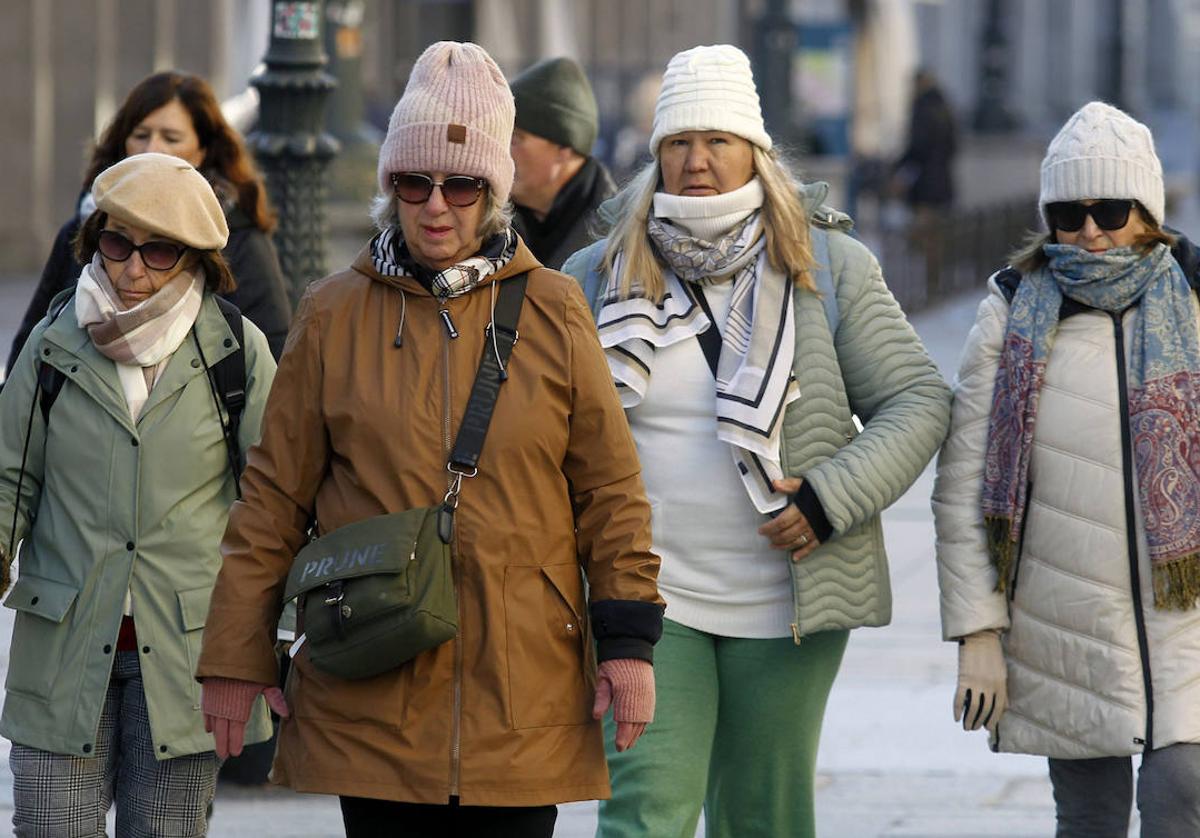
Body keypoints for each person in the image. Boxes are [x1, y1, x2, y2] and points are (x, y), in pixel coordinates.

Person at [194, 41, 664, 838]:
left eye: (462, 184)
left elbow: (610, 493)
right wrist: (237, 654)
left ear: (496, 192)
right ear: (390, 188)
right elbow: (273, 497)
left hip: (523, 681)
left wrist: (629, 644)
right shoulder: (333, 313)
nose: (435, 205)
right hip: (375, 675)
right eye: (414, 182)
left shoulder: (554, 310)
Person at [561, 44, 951, 838]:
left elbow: (918, 399)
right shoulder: (595, 275)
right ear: (656, 152)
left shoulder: (828, 263)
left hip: (788, 601)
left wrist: (828, 498)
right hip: (646, 601)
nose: (696, 162)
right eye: (677, 143)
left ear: (754, 151)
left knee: (761, 819)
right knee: (643, 813)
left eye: (717, 141)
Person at [933, 101, 1200, 837]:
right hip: (1062, 625)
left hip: (1186, 619)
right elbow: (964, 489)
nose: (1088, 231)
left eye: (1110, 209)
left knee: (1182, 795)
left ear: (1148, 210)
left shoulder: (1196, 301)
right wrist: (978, 634)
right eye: (1068, 212)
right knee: (1088, 818)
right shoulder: (1012, 311)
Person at [0, 152, 277, 836]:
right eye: (117, 243)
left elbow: (275, 507)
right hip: (63, 642)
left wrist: (269, 642)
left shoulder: (237, 351)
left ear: (195, 261)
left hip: (187, 659)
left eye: (158, 252)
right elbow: (10, 477)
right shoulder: (51, 344)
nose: (131, 268)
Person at [7, 70, 291, 376]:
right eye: (141, 135)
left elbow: (271, 360)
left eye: (171, 138)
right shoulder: (83, 227)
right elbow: (29, 355)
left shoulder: (240, 239)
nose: (152, 148)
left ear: (203, 150)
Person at [508, 56, 616, 270]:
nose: (503, 151)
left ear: (563, 150)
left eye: (515, 139)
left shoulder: (619, 240)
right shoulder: (493, 229)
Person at [893, 68, 957, 293]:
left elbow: (917, 147)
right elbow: (953, 146)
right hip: (944, 181)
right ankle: (934, 282)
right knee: (935, 236)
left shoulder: (922, 107)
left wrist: (898, 169)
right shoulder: (945, 108)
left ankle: (928, 284)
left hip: (926, 183)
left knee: (925, 233)